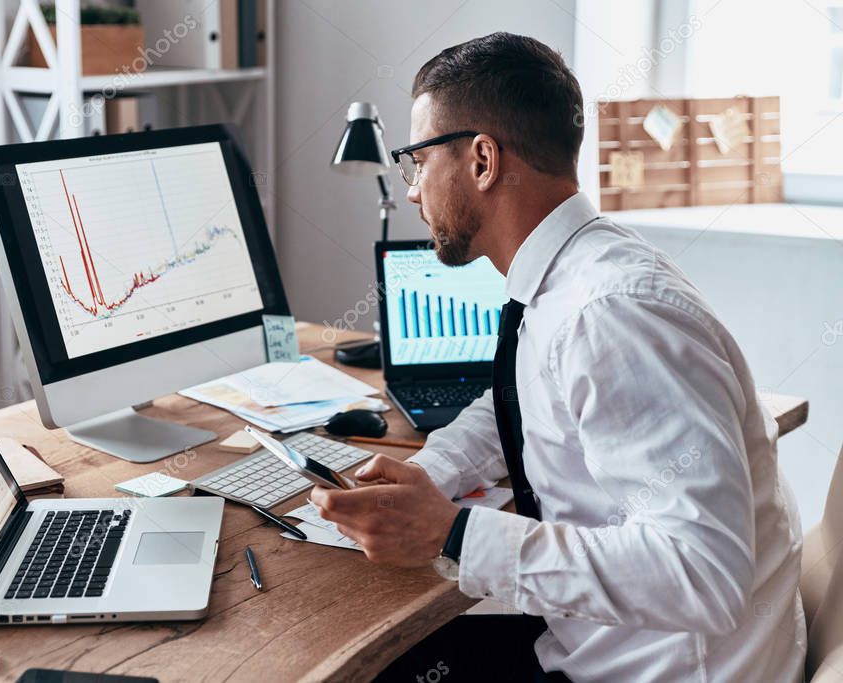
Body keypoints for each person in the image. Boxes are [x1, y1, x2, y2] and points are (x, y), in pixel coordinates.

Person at [310, 32, 805, 682]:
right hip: (601, 646)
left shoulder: (612, 311)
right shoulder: (570, 273)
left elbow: (705, 571)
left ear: (482, 160)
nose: (410, 191)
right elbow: (515, 401)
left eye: (417, 162)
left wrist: (452, 534)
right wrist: (433, 472)